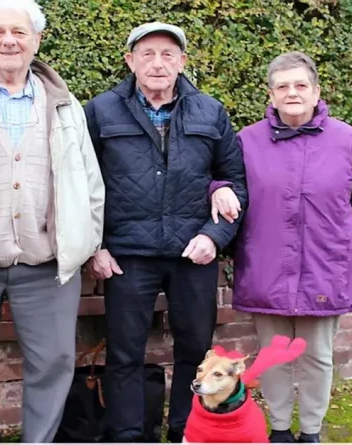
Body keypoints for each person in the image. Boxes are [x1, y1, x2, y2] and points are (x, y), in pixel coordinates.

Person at [0, 0, 105, 441]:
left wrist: (84, 238)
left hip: (46, 266)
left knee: (54, 363)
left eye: (19, 31)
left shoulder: (66, 104)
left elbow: (90, 181)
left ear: (36, 40)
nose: (8, 40)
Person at [83, 22, 248, 443]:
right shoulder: (101, 111)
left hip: (194, 252)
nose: (158, 63)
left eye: (168, 54)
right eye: (148, 53)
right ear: (130, 60)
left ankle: (185, 432)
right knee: (123, 354)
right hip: (126, 255)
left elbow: (234, 179)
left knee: (195, 352)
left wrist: (214, 236)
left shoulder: (210, 112)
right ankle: (127, 435)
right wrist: (94, 246)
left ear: (182, 62)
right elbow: (79, 182)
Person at [210, 51, 352, 443]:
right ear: (270, 95)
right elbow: (223, 181)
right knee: (273, 355)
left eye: (300, 85)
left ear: (316, 91)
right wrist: (217, 189)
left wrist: (339, 248)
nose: (292, 93)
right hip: (266, 266)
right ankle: (281, 429)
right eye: (282, 86)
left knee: (317, 356)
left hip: (326, 270)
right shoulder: (247, 141)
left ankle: (312, 431)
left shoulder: (348, 140)